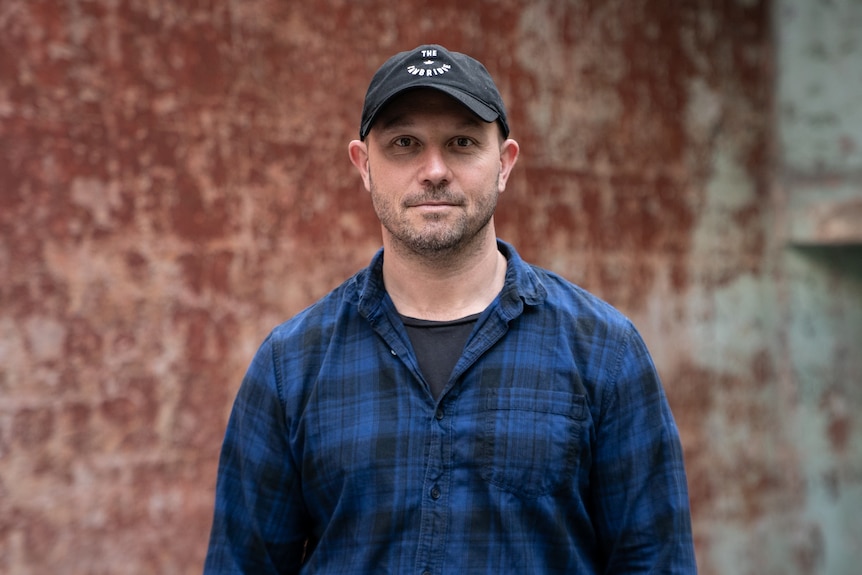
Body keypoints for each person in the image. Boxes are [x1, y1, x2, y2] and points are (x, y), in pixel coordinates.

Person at [204, 44, 697, 574]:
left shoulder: (605, 352)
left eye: (462, 142)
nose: (434, 170)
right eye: (404, 143)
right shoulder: (292, 364)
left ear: (504, 163)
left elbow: (656, 562)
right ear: (363, 164)